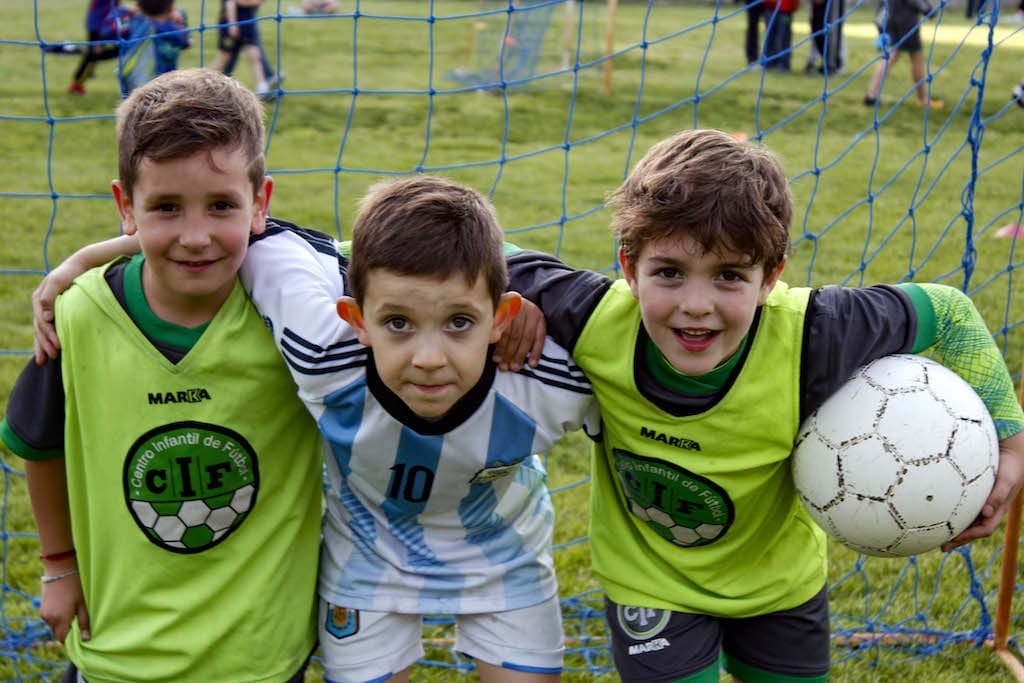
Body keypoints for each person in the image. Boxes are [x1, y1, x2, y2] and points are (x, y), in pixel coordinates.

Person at [496, 128, 1024, 683]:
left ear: (770, 275)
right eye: (668, 273)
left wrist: (1010, 446)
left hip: (780, 585)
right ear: (629, 267)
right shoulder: (593, 315)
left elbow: (953, 312)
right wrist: (506, 300)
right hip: (650, 582)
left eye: (729, 276)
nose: (695, 306)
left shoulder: (817, 333)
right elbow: (465, 249)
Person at [30, 174, 600, 683]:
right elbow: (237, 234)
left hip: (504, 555)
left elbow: (630, 330)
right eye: (397, 322)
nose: (428, 357)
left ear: (500, 317)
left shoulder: (549, 375)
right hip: (367, 561)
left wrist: (534, 280)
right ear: (354, 318)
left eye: (460, 321)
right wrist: (85, 260)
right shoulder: (321, 349)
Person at [0, 68, 323, 683]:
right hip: (119, 647)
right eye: (166, 207)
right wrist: (58, 564)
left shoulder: (296, 313)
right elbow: (39, 446)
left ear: (261, 203)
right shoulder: (79, 315)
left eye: (221, 205)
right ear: (126, 206)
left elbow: (415, 266)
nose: (196, 237)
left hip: (258, 652)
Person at [863, 0, 943, 109]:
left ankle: (871, 95)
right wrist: (929, 10)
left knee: (891, 55)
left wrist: (880, 21)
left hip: (891, 16)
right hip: (906, 20)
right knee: (916, 57)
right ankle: (922, 99)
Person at [115, 0, 191, 97]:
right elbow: (186, 42)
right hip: (165, 83)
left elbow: (108, 30)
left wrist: (125, 10)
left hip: (136, 84)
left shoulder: (137, 23)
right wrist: (181, 20)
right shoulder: (171, 29)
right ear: (171, 8)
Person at [210, 0, 276, 99]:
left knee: (254, 54)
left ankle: (262, 89)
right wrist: (232, 24)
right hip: (231, 21)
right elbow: (231, 2)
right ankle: (204, 83)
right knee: (224, 57)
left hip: (247, 21)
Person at [69, 0, 123, 95]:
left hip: (108, 24)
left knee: (118, 50)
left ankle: (85, 74)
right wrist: (97, 41)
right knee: (94, 54)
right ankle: (76, 85)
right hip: (98, 25)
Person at [763, 0, 798, 72]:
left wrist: (793, 6)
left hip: (786, 10)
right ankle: (769, 62)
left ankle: (784, 64)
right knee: (769, 37)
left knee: (784, 38)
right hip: (770, 8)